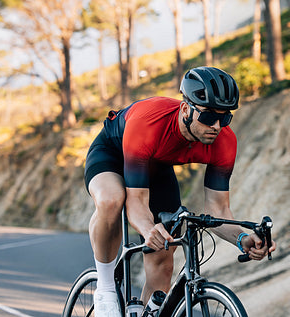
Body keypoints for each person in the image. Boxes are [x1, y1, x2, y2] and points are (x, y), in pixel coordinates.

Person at [84, 66, 276, 316]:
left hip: (156, 165)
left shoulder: (224, 142)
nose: (217, 126)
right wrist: (147, 229)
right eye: (208, 117)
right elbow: (137, 202)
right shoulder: (149, 122)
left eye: (225, 118)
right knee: (112, 199)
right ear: (185, 109)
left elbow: (218, 210)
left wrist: (243, 240)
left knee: (163, 259)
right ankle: (106, 289)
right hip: (112, 152)